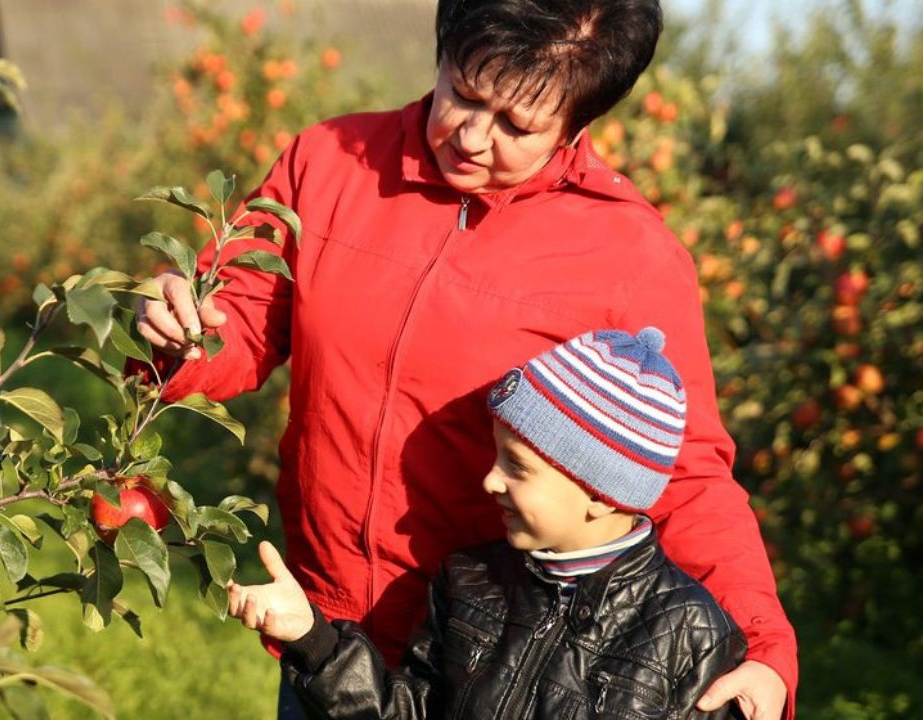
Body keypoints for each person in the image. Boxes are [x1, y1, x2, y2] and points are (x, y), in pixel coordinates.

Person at [135, 0, 796, 716]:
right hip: (325, 635)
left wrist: (762, 647)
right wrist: (180, 332)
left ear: (580, 122)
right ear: (444, 47)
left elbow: (686, 473)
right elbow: (243, 319)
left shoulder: (628, 255)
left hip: (492, 665)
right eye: (464, 93)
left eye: (518, 125)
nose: (473, 137)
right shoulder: (329, 164)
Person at [228, 327, 748, 719]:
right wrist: (312, 638)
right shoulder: (470, 581)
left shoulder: (690, 632)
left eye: (517, 467)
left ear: (599, 493)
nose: (490, 482)